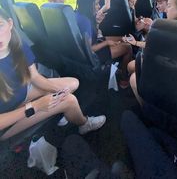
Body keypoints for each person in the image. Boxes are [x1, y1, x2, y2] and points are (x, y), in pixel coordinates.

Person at [0, 8, 106, 140]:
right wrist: (35, 106)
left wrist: (58, 91)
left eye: (0, 25)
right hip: (7, 121)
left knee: (72, 83)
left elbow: (35, 77)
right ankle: (84, 124)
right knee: (69, 100)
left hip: (22, 95)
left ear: (10, 23)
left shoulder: (18, 46)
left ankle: (61, 109)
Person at [75, 0, 132, 78]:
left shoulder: (79, 14)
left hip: (92, 44)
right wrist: (106, 43)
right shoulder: (85, 21)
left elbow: (92, 35)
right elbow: (90, 49)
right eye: (96, 3)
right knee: (128, 47)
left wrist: (98, 23)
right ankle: (124, 77)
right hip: (93, 55)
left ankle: (119, 67)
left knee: (122, 38)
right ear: (89, 4)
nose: (99, 6)